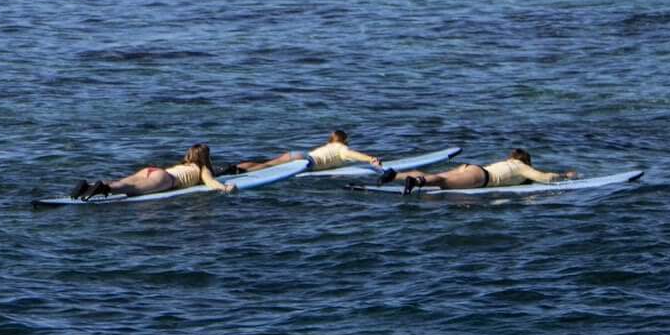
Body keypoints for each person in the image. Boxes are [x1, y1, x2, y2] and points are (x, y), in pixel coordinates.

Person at [377, 147, 578, 194]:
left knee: (438, 176)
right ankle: (417, 182)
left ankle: (395, 175)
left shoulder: (507, 162)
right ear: (526, 161)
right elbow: (544, 177)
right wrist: (564, 176)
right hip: (481, 177)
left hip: (473, 167)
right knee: (442, 182)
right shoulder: (523, 167)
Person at [71, 143, 233, 199]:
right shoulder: (202, 168)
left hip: (152, 170)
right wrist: (225, 188)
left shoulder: (183, 164)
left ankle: (89, 186)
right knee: (130, 189)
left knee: (123, 182)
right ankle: (103, 189)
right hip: (165, 179)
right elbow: (211, 182)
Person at [222, 129, 383, 175]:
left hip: (300, 154)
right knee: (268, 168)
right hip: (306, 162)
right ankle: (237, 171)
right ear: (344, 140)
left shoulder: (328, 146)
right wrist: (371, 159)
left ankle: (235, 167)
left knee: (267, 163)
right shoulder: (342, 149)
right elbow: (355, 155)